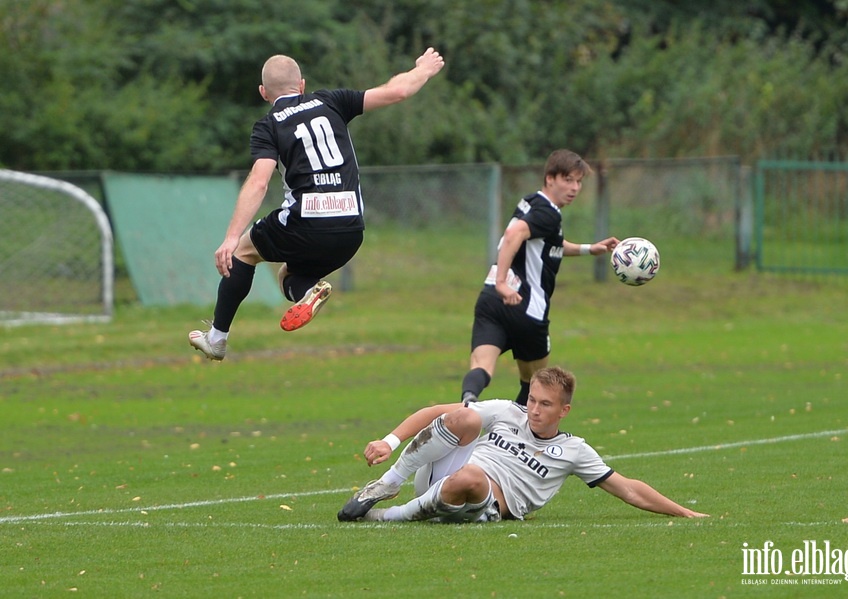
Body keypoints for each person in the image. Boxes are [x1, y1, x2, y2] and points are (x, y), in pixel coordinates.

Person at [189, 48, 446, 360]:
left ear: (263, 92)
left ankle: (217, 338)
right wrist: (423, 69)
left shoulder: (268, 125)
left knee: (244, 251)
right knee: (289, 274)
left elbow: (259, 181)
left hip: (306, 222)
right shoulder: (331, 100)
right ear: (302, 85)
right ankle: (308, 290)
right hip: (351, 229)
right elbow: (398, 91)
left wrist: (230, 237)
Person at [337, 366, 708, 523]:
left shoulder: (574, 450)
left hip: (483, 501)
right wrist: (389, 441)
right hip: (440, 479)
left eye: (545, 405)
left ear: (564, 410)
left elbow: (627, 489)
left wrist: (685, 513)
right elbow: (436, 412)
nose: (533, 410)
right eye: (532, 400)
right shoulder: (508, 411)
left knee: (470, 478)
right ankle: (388, 484)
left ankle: (387, 517)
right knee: (464, 418)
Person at [461, 150, 619, 404]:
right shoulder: (549, 214)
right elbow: (514, 234)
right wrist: (504, 283)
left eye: (578, 182)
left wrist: (590, 248)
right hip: (526, 308)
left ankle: (469, 401)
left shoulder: (531, 202)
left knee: (481, 366)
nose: (575, 188)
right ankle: (516, 434)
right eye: (567, 179)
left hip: (491, 300)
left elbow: (549, 245)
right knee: (535, 384)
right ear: (550, 178)